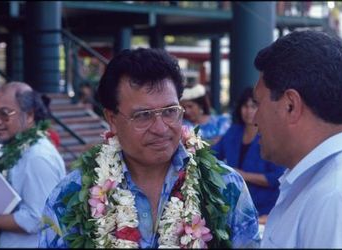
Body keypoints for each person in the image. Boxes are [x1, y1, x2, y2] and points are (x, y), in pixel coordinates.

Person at [39, 48, 260, 248]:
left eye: (170, 111)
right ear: (112, 119)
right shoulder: (72, 194)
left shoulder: (226, 188)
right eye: (143, 115)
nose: (161, 128)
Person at [253, 30, 342, 248]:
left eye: (258, 103)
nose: (255, 118)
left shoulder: (335, 195)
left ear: (291, 105)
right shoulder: (325, 182)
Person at [0, 82, 66, 248]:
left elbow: (37, 218)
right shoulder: (18, 150)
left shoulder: (37, 157)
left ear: (29, 115)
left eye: (5, 114)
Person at [212, 87, 285, 224]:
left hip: (264, 211)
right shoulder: (234, 131)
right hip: (234, 207)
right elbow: (214, 154)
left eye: (254, 106)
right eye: (245, 106)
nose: (249, 111)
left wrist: (244, 175)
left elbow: (277, 177)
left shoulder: (271, 135)